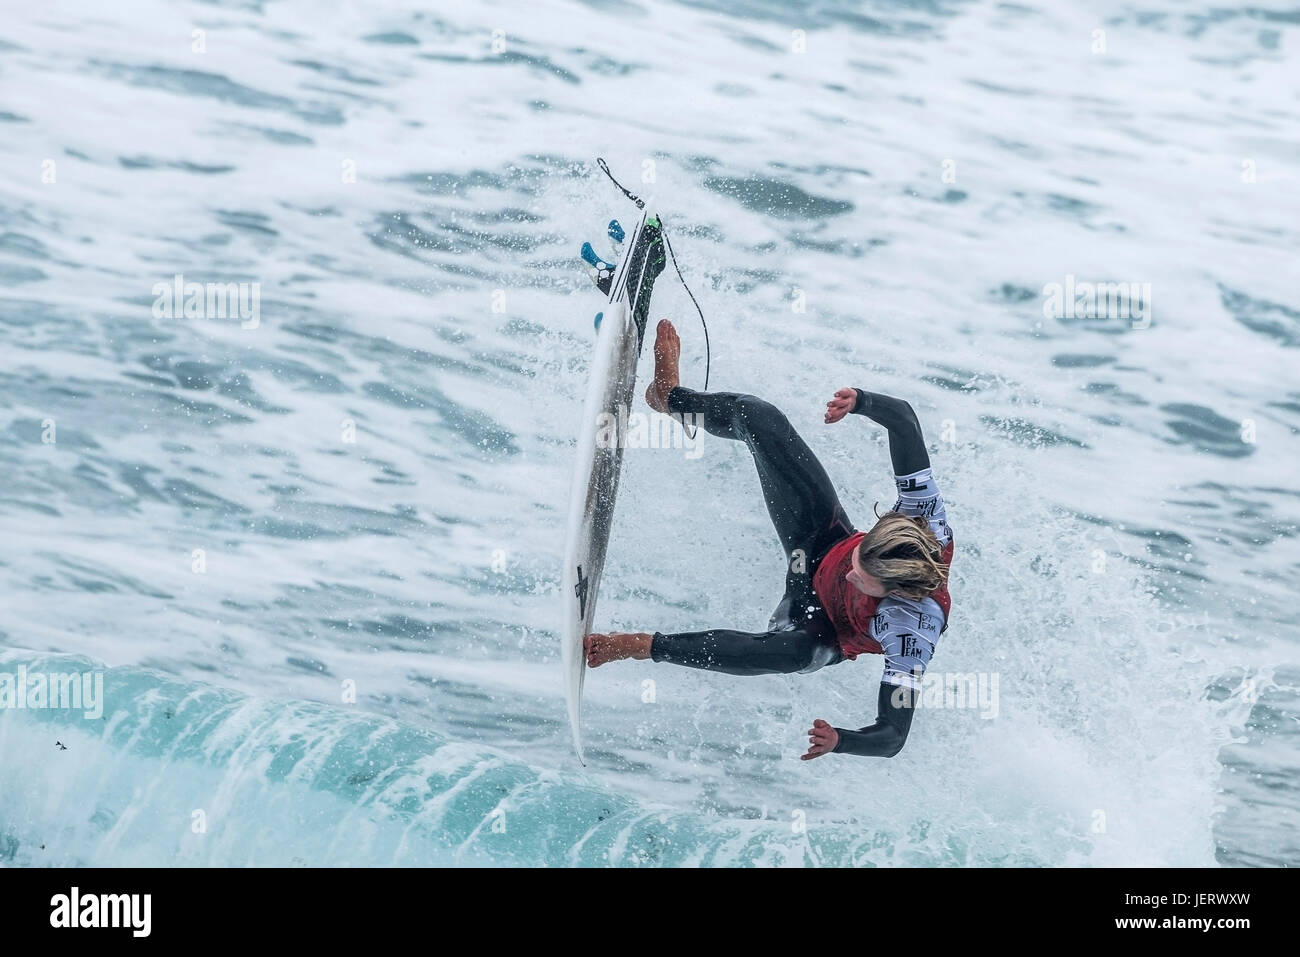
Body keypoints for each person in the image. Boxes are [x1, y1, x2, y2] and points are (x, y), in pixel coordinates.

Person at [584, 319, 954, 760]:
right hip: (818, 543)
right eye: (859, 559)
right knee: (760, 418)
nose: (853, 573)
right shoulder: (924, 515)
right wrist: (862, 401)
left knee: (794, 653)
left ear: (894, 591)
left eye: (863, 577)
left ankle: (640, 646)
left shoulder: (911, 632)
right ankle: (668, 397)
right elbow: (906, 421)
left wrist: (841, 741)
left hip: (820, 623)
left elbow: (892, 737)